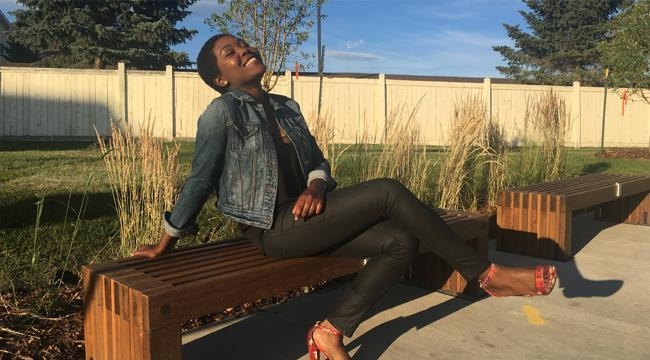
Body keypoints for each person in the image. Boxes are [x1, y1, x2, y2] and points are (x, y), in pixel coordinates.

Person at [133, 33, 557, 360]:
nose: (243, 50)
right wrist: (166, 240)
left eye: (242, 44)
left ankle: (330, 331)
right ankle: (485, 275)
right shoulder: (220, 113)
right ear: (221, 79)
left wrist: (317, 185)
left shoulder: (286, 107)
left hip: (307, 221)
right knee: (388, 191)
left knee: (399, 241)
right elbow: (199, 180)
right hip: (272, 230)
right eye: (230, 53)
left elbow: (319, 161)